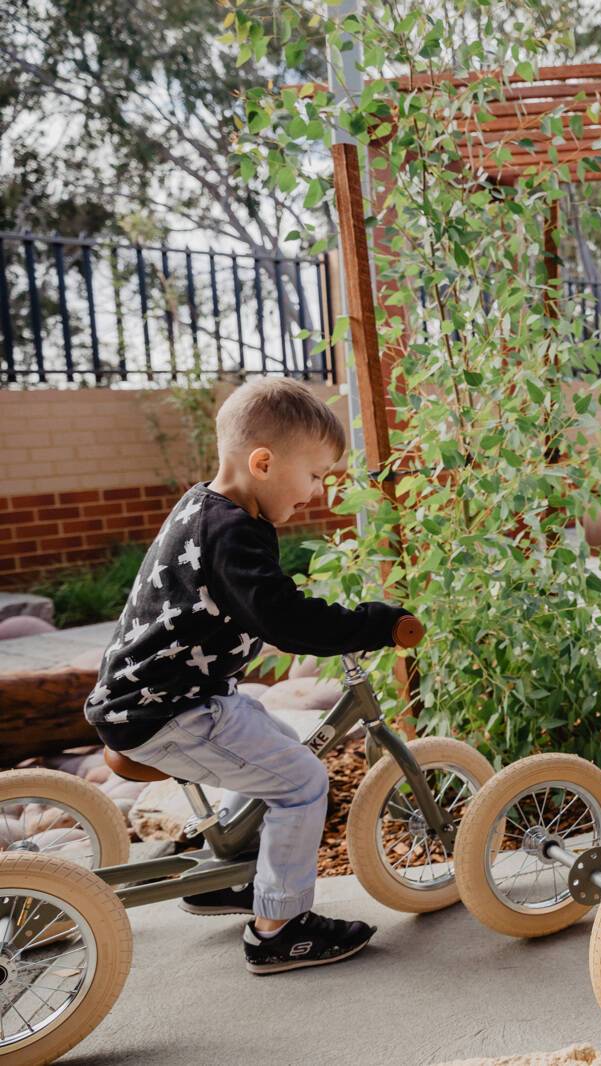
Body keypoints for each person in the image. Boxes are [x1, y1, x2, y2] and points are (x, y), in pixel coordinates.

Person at [84, 378, 407, 974]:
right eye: (314, 476)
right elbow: (283, 618)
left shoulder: (204, 507)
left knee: (275, 742)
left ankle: (225, 869)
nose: (317, 492)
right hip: (170, 711)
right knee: (302, 781)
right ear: (262, 462)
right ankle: (279, 928)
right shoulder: (233, 533)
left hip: (164, 697)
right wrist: (372, 625)